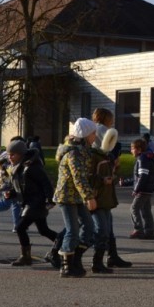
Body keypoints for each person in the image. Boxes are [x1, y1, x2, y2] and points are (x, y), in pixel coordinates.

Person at [52, 118, 99, 277]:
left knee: (89, 227)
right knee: (72, 230)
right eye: (93, 133)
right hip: (67, 196)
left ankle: (76, 258)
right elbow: (78, 177)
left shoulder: (83, 151)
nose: (95, 136)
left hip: (76, 196)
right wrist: (89, 197)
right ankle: (66, 265)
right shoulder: (74, 153)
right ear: (85, 134)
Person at [4, 138, 59, 266]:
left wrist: (49, 199)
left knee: (20, 227)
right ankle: (61, 241)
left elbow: (46, 183)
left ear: (21, 154)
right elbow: (19, 186)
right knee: (43, 230)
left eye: (13, 154)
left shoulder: (31, 166)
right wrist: (11, 193)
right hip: (29, 202)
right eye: (8, 154)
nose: (10, 157)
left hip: (35, 202)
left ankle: (25, 256)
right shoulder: (17, 167)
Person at [89, 107, 131, 270]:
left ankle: (111, 256)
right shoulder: (100, 136)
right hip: (98, 193)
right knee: (100, 228)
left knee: (107, 226)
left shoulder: (101, 151)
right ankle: (98, 260)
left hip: (103, 192)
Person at [129, 138, 154, 240]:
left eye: (132, 148)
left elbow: (143, 176)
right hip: (148, 188)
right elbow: (139, 176)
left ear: (138, 149)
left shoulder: (142, 158)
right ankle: (149, 231)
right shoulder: (147, 157)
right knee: (146, 210)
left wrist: (136, 189)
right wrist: (125, 182)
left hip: (143, 189)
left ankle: (138, 229)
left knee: (134, 208)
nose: (131, 151)